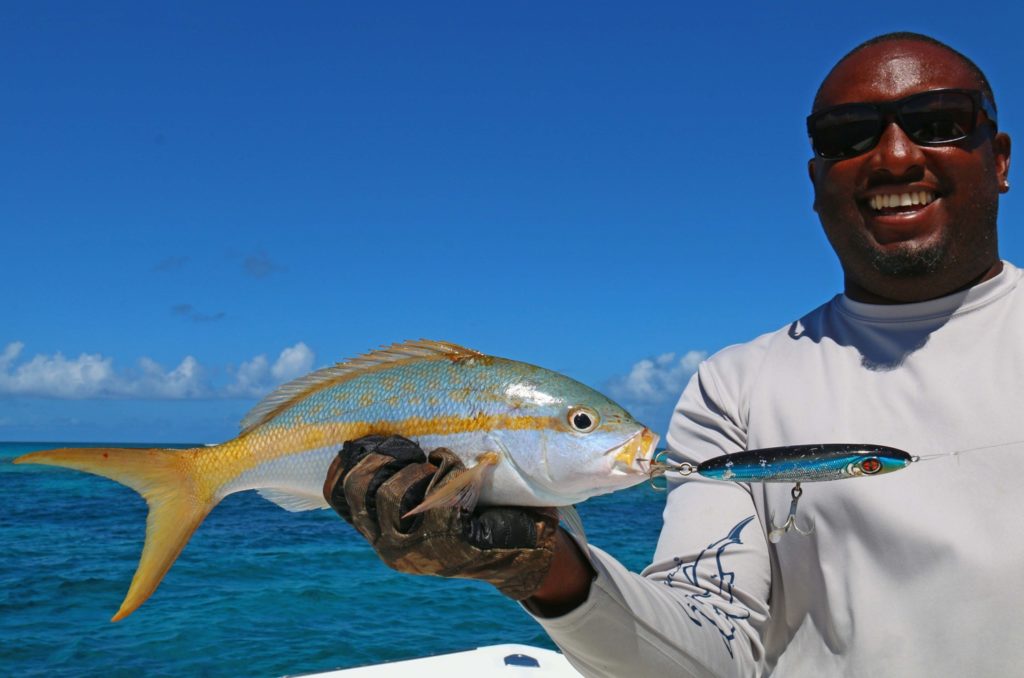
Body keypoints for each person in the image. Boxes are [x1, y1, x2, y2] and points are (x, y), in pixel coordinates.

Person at [324, 32, 1019, 676]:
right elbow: (707, 648)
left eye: (937, 123)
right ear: (816, 183)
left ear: (999, 159)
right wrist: (548, 567)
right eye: (849, 135)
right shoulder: (736, 387)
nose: (895, 155)